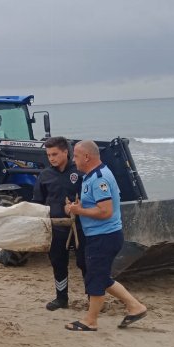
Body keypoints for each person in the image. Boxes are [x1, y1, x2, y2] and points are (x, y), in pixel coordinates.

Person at [64, 140, 147, 331]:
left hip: (104, 236)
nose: (73, 159)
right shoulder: (91, 175)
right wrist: (77, 207)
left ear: (87, 157)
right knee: (101, 277)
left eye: (75, 155)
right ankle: (135, 306)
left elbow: (105, 211)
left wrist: (79, 211)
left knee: (95, 278)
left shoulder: (100, 178)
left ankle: (90, 321)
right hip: (100, 235)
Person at [32, 136, 86, 311]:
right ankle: (61, 298)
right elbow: (38, 203)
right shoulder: (45, 175)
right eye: (48, 155)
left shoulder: (80, 172)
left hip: (81, 227)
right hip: (56, 228)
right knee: (58, 262)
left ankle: (93, 298)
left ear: (66, 152)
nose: (51, 158)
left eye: (55, 154)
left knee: (85, 263)